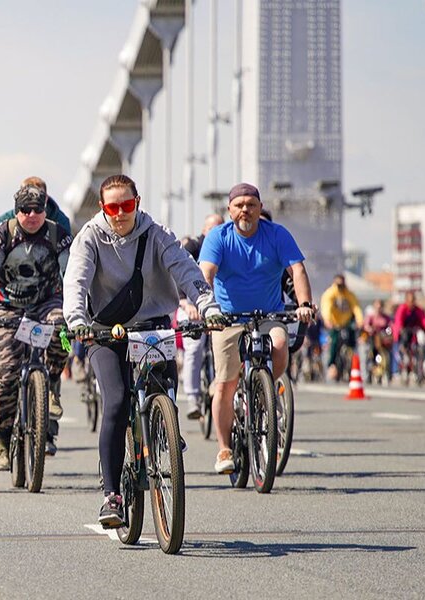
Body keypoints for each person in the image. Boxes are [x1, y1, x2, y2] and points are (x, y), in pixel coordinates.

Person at [64, 174, 223, 526]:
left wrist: (207, 306)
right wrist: (77, 320)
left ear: (137, 201)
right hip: (103, 330)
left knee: (163, 384)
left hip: (151, 325)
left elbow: (186, 270)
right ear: (103, 208)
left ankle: (164, 425)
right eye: (112, 207)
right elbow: (76, 279)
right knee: (118, 401)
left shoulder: (157, 234)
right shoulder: (89, 236)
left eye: (127, 205)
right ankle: (111, 496)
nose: (120, 214)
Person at [199, 183, 315, 474]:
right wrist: (205, 308)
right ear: (229, 210)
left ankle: (262, 391)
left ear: (260, 208)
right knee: (225, 385)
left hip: (268, 314)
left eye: (251, 204)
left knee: (279, 345)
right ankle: (224, 448)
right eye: (239, 205)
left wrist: (304, 303)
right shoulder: (219, 237)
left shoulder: (276, 235)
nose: (245, 210)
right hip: (227, 318)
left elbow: (297, 270)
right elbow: (206, 274)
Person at [0, 184, 72, 468]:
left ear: (45, 210)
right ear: (16, 211)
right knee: (6, 376)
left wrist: (77, 309)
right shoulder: (1, 233)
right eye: (25, 210)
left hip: (47, 302)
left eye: (37, 210)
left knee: (63, 330)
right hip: (7, 307)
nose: (31, 215)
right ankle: (2, 442)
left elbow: (69, 273)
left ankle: (52, 383)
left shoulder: (57, 233)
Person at [178, 213, 225, 419]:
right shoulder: (192, 247)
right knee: (195, 348)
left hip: (219, 308)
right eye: (213, 228)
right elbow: (178, 275)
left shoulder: (228, 246)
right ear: (205, 230)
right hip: (192, 306)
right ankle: (193, 397)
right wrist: (185, 303)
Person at [0, 176, 72, 235]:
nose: (32, 214)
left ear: (46, 197)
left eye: (38, 196)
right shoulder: (4, 223)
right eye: (28, 196)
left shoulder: (61, 222)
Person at [320, 274, 363, 381]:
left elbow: (356, 307)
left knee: (352, 341)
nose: (340, 287)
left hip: (347, 323)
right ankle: (332, 364)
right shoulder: (330, 294)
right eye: (338, 284)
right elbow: (326, 307)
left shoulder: (349, 294)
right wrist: (327, 320)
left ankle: (352, 361)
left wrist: (359, 321)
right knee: (334, 343)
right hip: (335, 324)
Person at [392, 291, 425, 377]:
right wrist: (401, 329)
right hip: (404, 333)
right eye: (410, 301)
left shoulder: (417, 310)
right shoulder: (402, 309)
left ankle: (419, 368)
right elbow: (398, 321)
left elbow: (423, 320)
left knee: (420, 346)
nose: (412, 303)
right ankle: (404, 353)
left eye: (413, 301)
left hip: (414, 333)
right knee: (405, 338)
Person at [362, 298, 393, 373]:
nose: (379, 309)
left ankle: (388, 370)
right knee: (371, 350)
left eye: (380, 307)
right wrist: (370, 329)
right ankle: (371, 365)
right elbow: (366, 325)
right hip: (373, 337)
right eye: (377, 307)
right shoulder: (371, 317)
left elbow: (390, 326)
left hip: (383, 338)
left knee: (389, 351)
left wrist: (390, 331)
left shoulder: (386, 318)